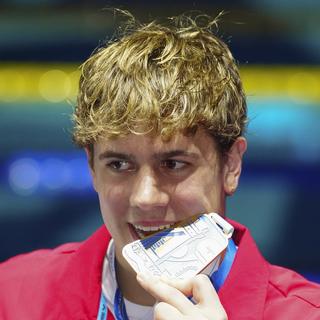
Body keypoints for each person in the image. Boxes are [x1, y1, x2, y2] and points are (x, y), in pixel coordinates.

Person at [1, 12, 319, 320]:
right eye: (119, 164)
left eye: (173, 163)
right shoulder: (12, 297)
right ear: (92, 167)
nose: (145, 198)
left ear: (231, 166)